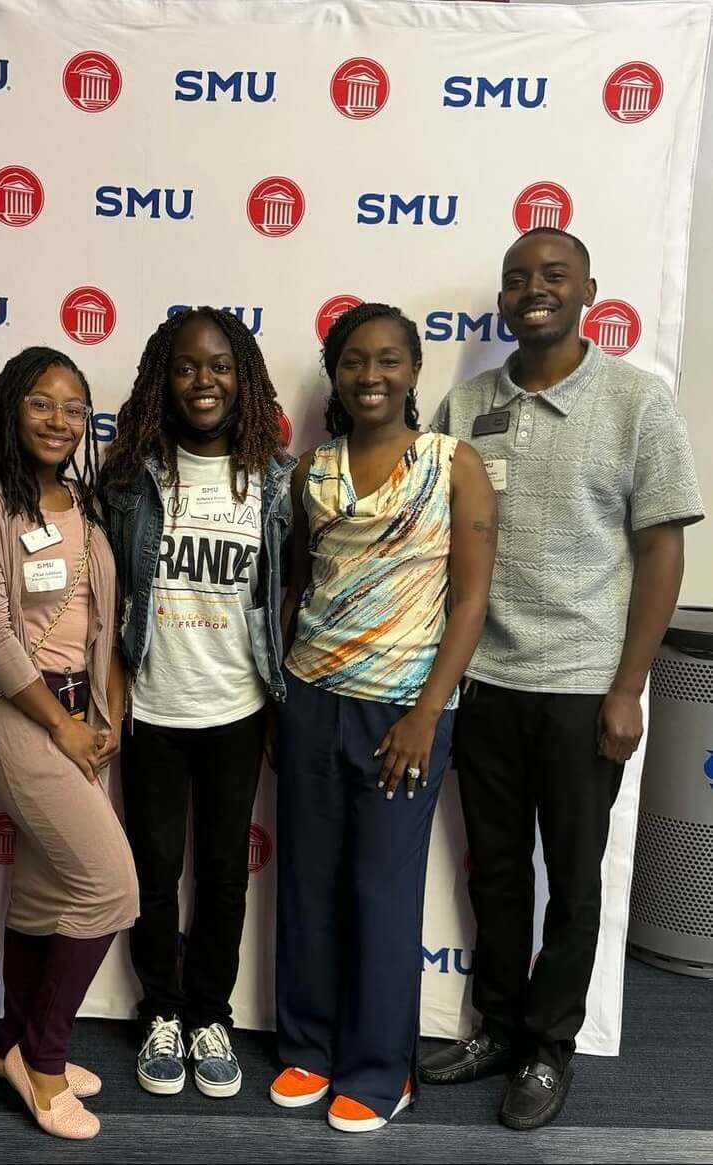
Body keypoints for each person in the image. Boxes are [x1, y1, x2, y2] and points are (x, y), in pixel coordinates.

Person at [420, 228, 704, 1130]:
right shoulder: (466, 406)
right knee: (496, 872)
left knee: (574, 880)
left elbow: (663, 549)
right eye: (516, 278)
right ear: (502, 299)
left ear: (588, 289)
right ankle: (499, 1028)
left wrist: (630, 687)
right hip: (485, 681)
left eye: (552, 276)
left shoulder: (636, 402)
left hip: (586, 687)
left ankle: (550, 1045)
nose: (532, 289)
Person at [270, 303, 496, 1132]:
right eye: (356, 360)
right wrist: (281, 703)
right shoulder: (311, 471)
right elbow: (300, 589)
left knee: (381, 887)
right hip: (309, 698)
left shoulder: (453, 463)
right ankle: (308, 1048)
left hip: (404, 708)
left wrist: (427, 713)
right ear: (337, 372)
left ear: (414, 370)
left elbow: (470, 598)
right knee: (308, 882)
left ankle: (378, 1068)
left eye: (389, 360)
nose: (372, 375)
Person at [101, 306, 295, 1099]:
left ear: (242, 377)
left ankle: (210, 1010)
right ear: (162, 379)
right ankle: (163, 1012)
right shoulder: (129, 481)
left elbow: (293, 590)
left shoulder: (277, 480)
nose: (203, 381)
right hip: (153, 707)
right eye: (186, 367)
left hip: (238, 708)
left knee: (222, 873)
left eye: (219, 366)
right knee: (152, 870)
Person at [0, 346, 138, 1141]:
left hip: (82, 714)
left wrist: (108, 715)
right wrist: (61, 726)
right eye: (40, 402)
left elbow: (103, 617)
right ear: (8, 408)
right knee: (109, 884)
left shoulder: (82, 501)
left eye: (72, 407)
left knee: (41, 892)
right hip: (22, 720)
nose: (59, 420)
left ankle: (9, 1046)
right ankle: (47, 1063)